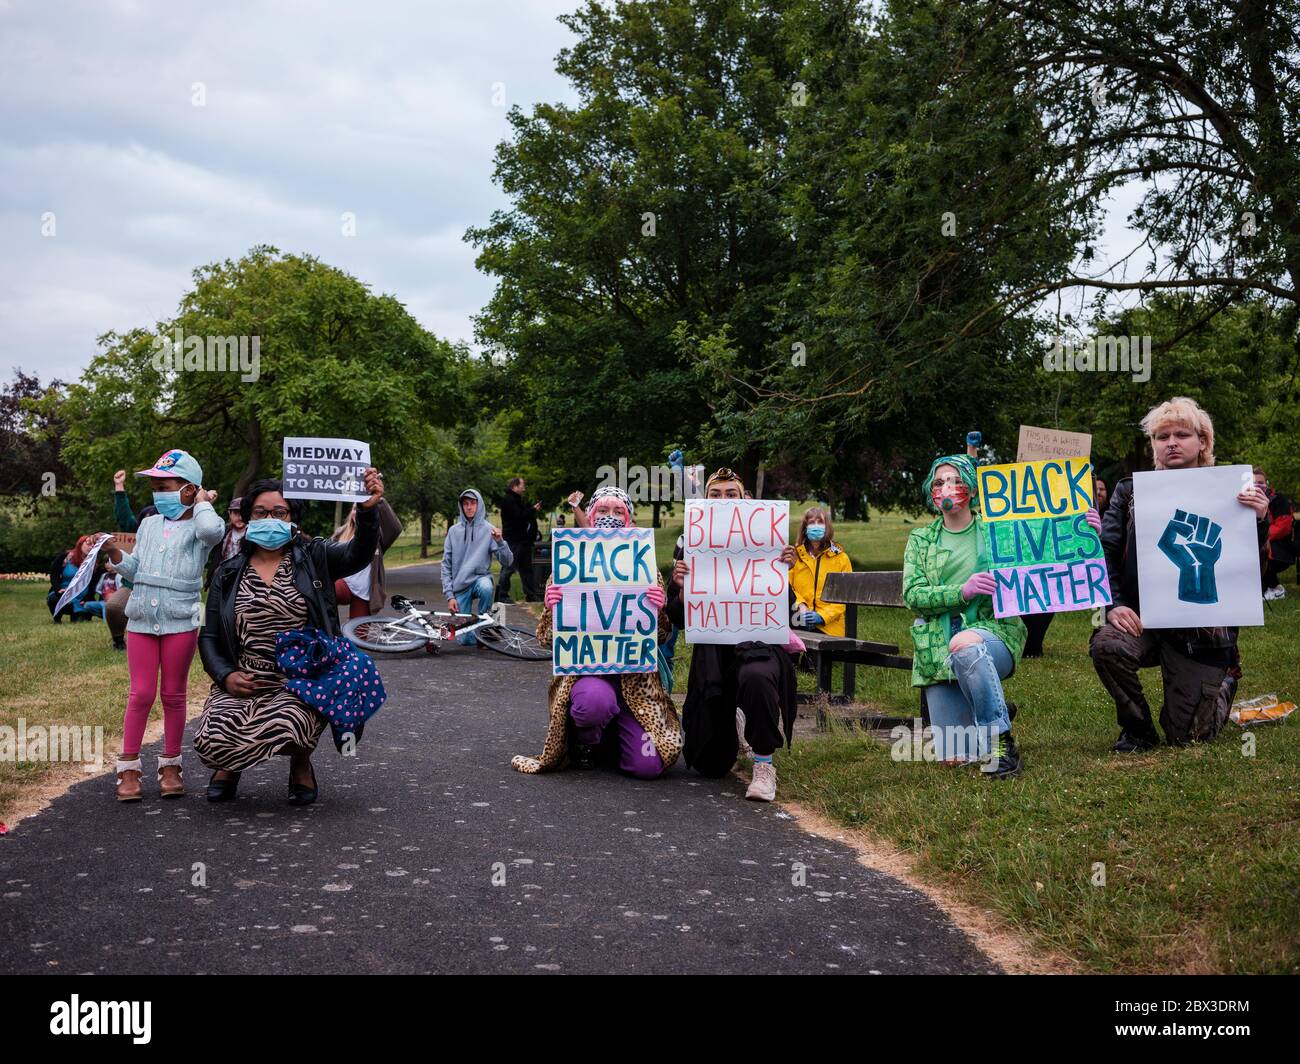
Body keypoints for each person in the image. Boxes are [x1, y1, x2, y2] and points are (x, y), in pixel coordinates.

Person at [194, 469, 385, 804]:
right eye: (261, 512)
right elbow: (208, 636)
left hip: (298, 680)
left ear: (293, 518)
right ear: (247, 517)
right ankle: (228, 765)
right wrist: (225, 676)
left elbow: (359, 553)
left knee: (290, 721)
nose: (270, 518)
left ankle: (300, 764)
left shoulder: (316, 557)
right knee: (212, 740)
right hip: (245, 678)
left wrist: (368, 510)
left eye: (279, 512)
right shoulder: (226, 572)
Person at [1090, 398, 1269, 751]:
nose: (1171, 442)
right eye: (1162, 436)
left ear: (1203, 442)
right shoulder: (1130, 491)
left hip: (1203, 628)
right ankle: (1137, 730)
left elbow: (1251, 574)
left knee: (1188, 738)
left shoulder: (1234, 492)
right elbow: (1106, 552)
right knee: (1107, 645)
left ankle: (1226, 677)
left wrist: (1258, 524)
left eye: (1182, 434)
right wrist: (1113, 603)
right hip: (1144, 620)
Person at [901, 455, 1067, 777]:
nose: (946, 488)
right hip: (938, 642)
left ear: (972, 490)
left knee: (966, 646)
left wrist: (1081, 532)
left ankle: (1002, 745)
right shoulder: (920, 540)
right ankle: (994, 707)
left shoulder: (997, 531)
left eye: (954, 481)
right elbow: (913, 595)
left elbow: (1047, 555)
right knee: (955, 755)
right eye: (938, 482)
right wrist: (962, 591)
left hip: (994, 632)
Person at [512, 485, 683, 778]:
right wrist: (552, 610)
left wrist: (658, 612)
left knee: (648, 768)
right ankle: (586, 740)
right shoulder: (568, 567)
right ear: (590, 518)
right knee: (594, 702)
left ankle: (613, 739)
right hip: (589, 677)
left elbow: (662, 638)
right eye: (602, 510)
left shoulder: (645, 568)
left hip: (635, 683)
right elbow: (546, 641)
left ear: (629, 521)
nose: (610, 517)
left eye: (619, 511)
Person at [665, 468, 803, 802]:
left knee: (756, 677)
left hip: (757, 645)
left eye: (731, 494)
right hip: (713, 654)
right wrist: (682, 589)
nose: (724, 501)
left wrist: (784, 571)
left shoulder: (767, 542)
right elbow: (678, 620)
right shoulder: (693, 544)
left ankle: (764, 764)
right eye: (716, 495)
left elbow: (783, 606)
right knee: (709, 764)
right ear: (706, 500)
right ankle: (736, 720)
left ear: (744, 500)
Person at [97, 450, 223, 801]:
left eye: (164, 485)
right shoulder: (149, 524)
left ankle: (170, 765)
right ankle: (129, 767)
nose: (156, 492)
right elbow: (136, 569)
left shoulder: (202, 525)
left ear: (188, 489)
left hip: (180, 620)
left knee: (172, 693)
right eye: (154, 485)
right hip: (140, 619)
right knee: (141, 694)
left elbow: (213, 531)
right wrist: (114, 553)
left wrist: (201, 502)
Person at [440, 489, 512, 645]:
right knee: (465, 641)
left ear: (479, 505)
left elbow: (508, 562)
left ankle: (483, 627)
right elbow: (445, 566)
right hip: (460, 586)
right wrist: (450, 596)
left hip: (480, 579)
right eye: (465, 504)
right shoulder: (453, 531)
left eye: (473, 503)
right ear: (461, 507)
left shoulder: (489, 529)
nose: (469, 507)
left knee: (486, 587)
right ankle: (476, 633)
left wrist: (500, 542)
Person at [331, 498, 403, 619]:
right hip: (344, 584)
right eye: (355, 508)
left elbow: (396, 528)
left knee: (359, 635)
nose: (358, 512)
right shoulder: (340, 533)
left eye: (362, 509)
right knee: (324, 591)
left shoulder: (377, 537)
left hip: (364, 593)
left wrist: (377, 498)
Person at [789, 506, 853, 635]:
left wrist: (822, 616)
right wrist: (801, 606)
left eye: (820, 522)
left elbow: (844, 597)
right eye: (811, 522)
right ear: (805, 527)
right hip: (798, 621)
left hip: (830, 627)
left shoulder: (841, 558)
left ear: (827, 526)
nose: (816, 526)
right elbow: (789, 587)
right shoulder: (795, 556)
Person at [497, 477, 541, 603]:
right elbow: (519, 517)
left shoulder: (517, 500)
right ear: (515, 486)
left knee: (526, 568)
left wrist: (531, 510)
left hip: (523, 540)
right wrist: (533, 510)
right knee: (508, 567)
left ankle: (531, 595)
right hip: (513, 540)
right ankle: (502, 595)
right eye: (522, 485)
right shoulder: (509, 500)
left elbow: (522, 515)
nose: (524, 488)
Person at [47, 535, 107, 622]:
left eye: (93, 546)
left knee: (80, 621)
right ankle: (57, 618)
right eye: (88, 544)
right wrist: (58, 589)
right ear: (80, 544)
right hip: (64, 594)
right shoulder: (65, 557)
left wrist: (86, 598)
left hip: (83, 597)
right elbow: (54, 574)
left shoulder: (95, 564)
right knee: (54, 599)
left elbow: (93, 586)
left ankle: (79, 614)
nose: (91, 547)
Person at [1255, 467, 1295, 599]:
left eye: (1260, 482)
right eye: (1254, 483)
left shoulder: (1278, 500)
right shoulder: (1247, 500)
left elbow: (1283, 526)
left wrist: (1259, 536)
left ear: (1267, 483)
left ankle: (1274, 588)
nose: (1258, 486)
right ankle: (1266, 589)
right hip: (1256, 542)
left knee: (1262, 553)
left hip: (1280, 545)